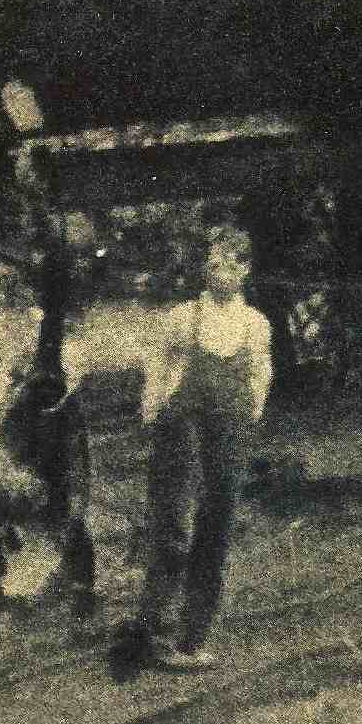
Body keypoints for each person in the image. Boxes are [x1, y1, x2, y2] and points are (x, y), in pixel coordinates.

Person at [116, 223, 272, 673]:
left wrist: (248, 417)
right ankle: (155, 631)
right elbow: (157, 369)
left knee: (216, 528)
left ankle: (194, 637)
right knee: (174, 528)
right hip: (181, 430)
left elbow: (261, 376)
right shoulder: (183, 318)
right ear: (206, 267)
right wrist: (153, 413)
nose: (222, 270)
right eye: (215, 261)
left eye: (232, 263)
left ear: (245, 270)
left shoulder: (255, 325)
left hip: (230, 432)